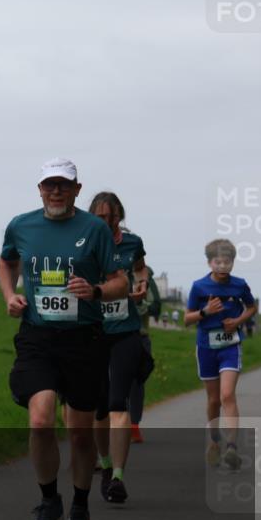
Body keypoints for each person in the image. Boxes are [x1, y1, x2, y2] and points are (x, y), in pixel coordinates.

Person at [0, 158, 127, 520]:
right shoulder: (21, 225)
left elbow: (119, 280)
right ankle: (50, 501)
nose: (55, 191)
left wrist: (98, 291)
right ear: (39, 189)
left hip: (83, 339)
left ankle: (81, 507)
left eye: (63, 185)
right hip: (38, 336)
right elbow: (7, 262)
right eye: (48, 185)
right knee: (40, 420)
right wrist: (10, 295)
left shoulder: (94, 230)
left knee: (81, 433)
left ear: (77, 189)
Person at [88, 193, 150, 504]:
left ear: (119, 217)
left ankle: (118, 478)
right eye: (99, 218)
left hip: (125, 332)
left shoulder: (132, 242)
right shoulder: (83, 242)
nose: (106, 222)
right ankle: (105, 460)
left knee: (117, 403)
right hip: (94, 333)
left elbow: (140, 269)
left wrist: (141, 285)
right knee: (99, 408)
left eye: (111, 217)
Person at [183, 239, 258, 470]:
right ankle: (215, 441)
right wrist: (206, 312)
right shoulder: (199, 286)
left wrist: (237, 321)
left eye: (228, 262)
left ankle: (232, 448)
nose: (223, 266)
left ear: (233, 262)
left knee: (227, 395)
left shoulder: (240, 285)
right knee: (214, 400)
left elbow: (252, 306)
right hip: (206, 346)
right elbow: (187, 319)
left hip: (230, 345)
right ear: (209, 262)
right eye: (218, 262)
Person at [129, 265, 161, 444]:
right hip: (110, 334)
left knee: (136, 382)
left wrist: (140, 302)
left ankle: (134, 425)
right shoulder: (104, 266)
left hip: (139, 335)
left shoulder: (146, 275)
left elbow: (156, 307)